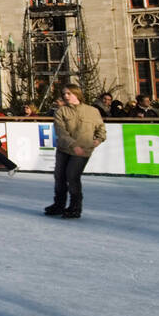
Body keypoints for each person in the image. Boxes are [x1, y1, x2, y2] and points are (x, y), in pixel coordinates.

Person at [45, 84, 106, 220]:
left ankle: (75, 207)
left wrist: (98, 140)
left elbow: (100, 128)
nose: (66, 96)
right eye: (64, 94)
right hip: (64, 149)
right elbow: (61, 131)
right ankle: (59, 204)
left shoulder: (92, 111)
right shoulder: (61, 112)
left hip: (83, 150)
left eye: (69, 93)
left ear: (76, 94)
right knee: (60, 177)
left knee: (72, 176)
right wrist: (73, 145)